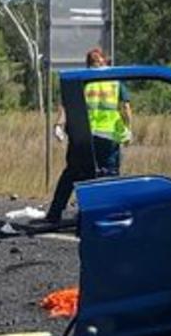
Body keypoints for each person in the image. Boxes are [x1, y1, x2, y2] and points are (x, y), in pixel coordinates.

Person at [43, 47, 133, 223]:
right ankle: (101, 215)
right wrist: (129, 129)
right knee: (108, 176)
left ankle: (55, 213)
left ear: (88, 64)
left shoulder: (82, 81)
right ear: (105, 62)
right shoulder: (114, 81)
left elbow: (67, 105)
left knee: (72, 173)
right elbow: (125, 107)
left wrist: (58, 125)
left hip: (82, 137)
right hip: (108, 138)